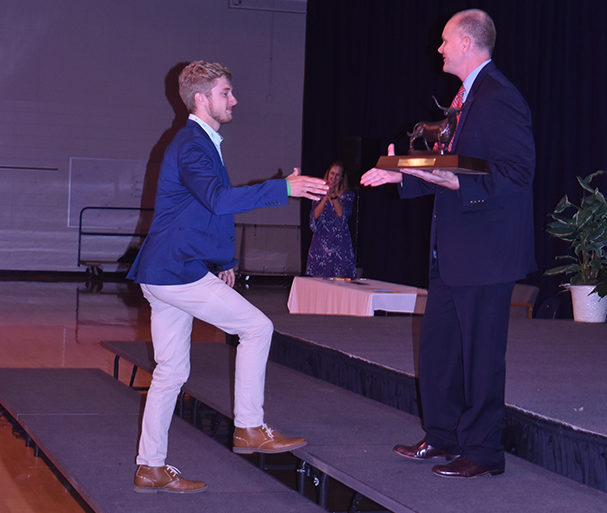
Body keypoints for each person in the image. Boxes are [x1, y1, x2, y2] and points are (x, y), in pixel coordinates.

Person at [127, 60, 328, 493]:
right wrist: (283, 189)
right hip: (176, 271)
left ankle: (150, 466)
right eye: (225, 93)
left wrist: (222, 261)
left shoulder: (199, 142)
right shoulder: (193, 144)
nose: (233, 99)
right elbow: (219, 201)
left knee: (171, 371)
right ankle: (250, 427)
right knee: (258, 327)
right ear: (201, 98)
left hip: (167, 270)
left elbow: (200, 209)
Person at [361, 9, 535, 478]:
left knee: (480, 357)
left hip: (486, 252)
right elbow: (451, 166)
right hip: (453, 250)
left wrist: (453, 182)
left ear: (466, 43)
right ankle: (442, 436)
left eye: (443, 41)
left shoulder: (500, 98)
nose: (437, 48)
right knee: (439, 349)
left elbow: (516, 175)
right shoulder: (467, 98)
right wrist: (400, 172)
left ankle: (482, 451)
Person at [306, 162, 356, 278]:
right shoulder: (318, 194)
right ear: (328, 174)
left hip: (340, 245)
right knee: (318, 286)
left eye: (338, 175)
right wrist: (325, 197)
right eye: (332, 173)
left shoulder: (347, 195)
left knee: (340, 285)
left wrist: (333, 196)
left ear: (342, 178)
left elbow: (342, 215)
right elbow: (314, 216)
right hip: (320, 245)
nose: (334, 177)